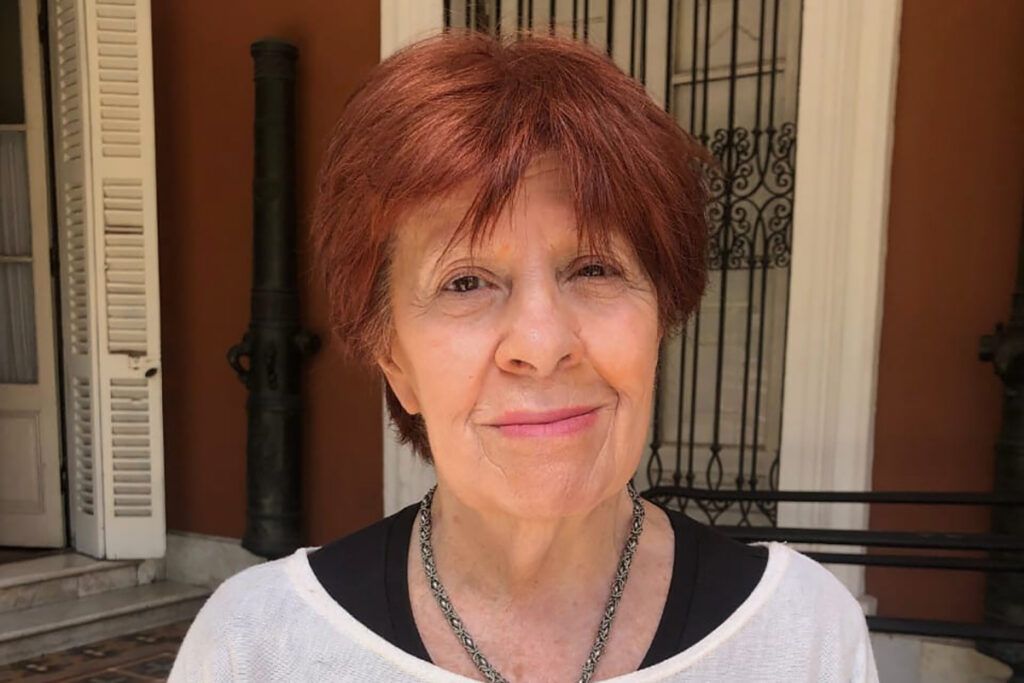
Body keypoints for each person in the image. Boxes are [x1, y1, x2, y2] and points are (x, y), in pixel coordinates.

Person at [169, 29, 879, 682]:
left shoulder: (801, 635)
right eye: (466, 282)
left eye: (594, 269)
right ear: (393, 361)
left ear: (660, 319)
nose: (542, 347)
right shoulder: (258, 647)